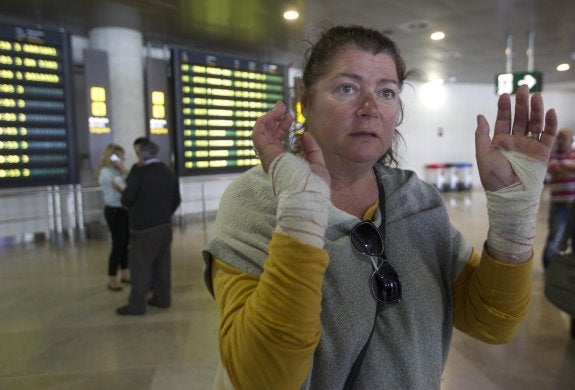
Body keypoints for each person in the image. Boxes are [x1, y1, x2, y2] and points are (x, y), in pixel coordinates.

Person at [202, 25, 558, 388]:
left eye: (386, 92)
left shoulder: (416, 200)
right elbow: (261, 377)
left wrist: (514, 216)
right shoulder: (256, 201)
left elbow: (491, 322)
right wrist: (300, 213)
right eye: (347, 88)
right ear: (304, 99)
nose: (370, 108)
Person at [116, 139, 181, 315]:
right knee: (162, 264)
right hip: (165, 226)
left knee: (140, 267)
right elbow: (177, 200)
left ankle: (137, 305)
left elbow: (127, 198)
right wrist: (164, 214)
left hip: (143, 228)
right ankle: (163, 299)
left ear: (140, 155)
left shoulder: (139, 173)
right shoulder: (168, 171)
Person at [95, 143, 130, 291]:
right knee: (117, 244)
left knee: (125, 244)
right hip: (114, 211)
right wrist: (123, 170)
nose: (123, 158)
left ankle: (125, 273)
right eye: (120, 156)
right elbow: (126, 189)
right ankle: (112, 279)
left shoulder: (116, 171)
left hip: (123, 211)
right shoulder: (107, 172)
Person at [542, 128, 575, 268]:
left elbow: (560, 171)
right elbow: (555, 171)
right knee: (555, 238)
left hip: (573, 204)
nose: (561, 141)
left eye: (565, 138)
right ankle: (549, 268)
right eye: (560, 138)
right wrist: (569, 168)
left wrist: (564, 168)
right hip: (559, 205)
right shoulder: (553, 155)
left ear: (572, 140)